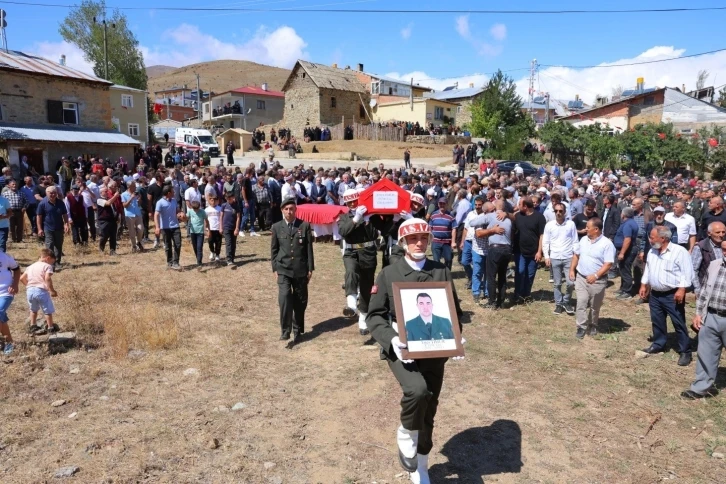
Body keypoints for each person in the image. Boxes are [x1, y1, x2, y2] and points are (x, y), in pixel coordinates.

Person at [366, 218, 463, 483]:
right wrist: (391, 339)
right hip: (403, 348)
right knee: (417, 391)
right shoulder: (389, 272)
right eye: (412, 239)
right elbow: (375, 316)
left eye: (423, 238)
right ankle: (407, 432)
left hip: (435, 349)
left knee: (429, 407)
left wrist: (456, 337)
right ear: (403, 243)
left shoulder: (441, 270)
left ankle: (421, 463)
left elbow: (454, 310)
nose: (419, 243)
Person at [639, 226, 695, 366]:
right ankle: (659, 343)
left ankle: (685, 351)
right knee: (657, 320)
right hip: (656, 294)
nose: (650, 240)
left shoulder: (679, 252)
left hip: (672, 295)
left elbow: (687, 273)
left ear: (662, 238)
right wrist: (643, 284)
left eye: (652, 237)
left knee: (678, 322)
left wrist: (682, 289)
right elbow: (648, 269)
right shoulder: (652, 251)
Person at [681, 240, 726, 399]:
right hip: (711, 316)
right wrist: (699, 313)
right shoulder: (715, 265)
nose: (724, 253)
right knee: (706, 354)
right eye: (723, 249)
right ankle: (701, 387)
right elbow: (705, 292)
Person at [270, 197, 315, 345]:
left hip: (300, 269)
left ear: (295, 210)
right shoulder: (276, 227)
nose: (289, 212)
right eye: (286, 209)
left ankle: (297, 330)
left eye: (291, 209)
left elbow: (309, 249)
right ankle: (285, 331)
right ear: (282, 210)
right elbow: (274, 250)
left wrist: (310, 268)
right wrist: (275, 268)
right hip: (283, 269)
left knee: (300, 301)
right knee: (284, 298)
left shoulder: (304, 225)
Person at [338, 188, 379, 335]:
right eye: (349, 203)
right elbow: (343, 232)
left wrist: (367, 220)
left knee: (367, 285)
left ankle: (363, 317)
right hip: (350, 252)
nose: (352, 205)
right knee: (351, 272)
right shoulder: (344, 217)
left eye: (354, 201)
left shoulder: (370, 216)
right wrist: (355, 218)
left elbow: (374, 235)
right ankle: (351, 303)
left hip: (367, 252)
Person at [569, 218, 615, 339]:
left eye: (588, 227)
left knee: (595, 305)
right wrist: (572, 270)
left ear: (596, 229)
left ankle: (593, 323)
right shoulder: (583, 240)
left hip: (598, 281)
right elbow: (576, 255)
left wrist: (595, 276)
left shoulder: (607, 244)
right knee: (581, 302)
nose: (586, 229)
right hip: (581, 278)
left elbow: (608, 263)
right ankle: (581, 326)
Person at [472, 199, 512, 309]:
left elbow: (472, 223)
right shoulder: (508, 218)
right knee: (502, 276)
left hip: (495, 249)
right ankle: (502, 301)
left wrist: (490, 227)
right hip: (507, 249)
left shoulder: (490, 216)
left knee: (491, 277)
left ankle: (492, 302)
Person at [543, 202, 578, 315]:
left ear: (565, 212)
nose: (558, 213)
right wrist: (547, 257)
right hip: (555, 257)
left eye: (560, 211)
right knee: (557, 283)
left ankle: (566, 301)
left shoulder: (571, 224)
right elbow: (545, 242)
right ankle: (559, 303)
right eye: (556, 211)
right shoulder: (549, 225)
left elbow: (575, 241)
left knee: (570, 283)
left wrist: (576, 256)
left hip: (568, 257)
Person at [20, 248, 58, 335]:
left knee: (33, 310)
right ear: (48, 258)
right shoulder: (47, 266)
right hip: (41, 291)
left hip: (30, 291)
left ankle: (33, 325)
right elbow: (47, 278)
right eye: (52, 261)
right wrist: (51, 290)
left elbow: (22, 278)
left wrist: (29, 285)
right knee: (47, 310)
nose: (51, 264)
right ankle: (50, 328)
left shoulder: (30, 266)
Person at [36, 186, 69, 271]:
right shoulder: (42, 203)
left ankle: (57, 262)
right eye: (51, 193)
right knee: (49, 246)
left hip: (59, 228)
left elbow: (65, 214)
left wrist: (66, 224)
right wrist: (39, 229)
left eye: (54, 193)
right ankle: (50, 264)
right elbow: (39, 216)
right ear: (46, 193)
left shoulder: (60, 203)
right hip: (48, 228)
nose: (53, 194)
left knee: (58, 246)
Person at [154, 185, 184, 271]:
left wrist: (180, 213)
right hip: (165, 227)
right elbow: (156, 215)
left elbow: (177, 210)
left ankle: (176, 262)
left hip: (175, 226)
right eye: (172, 191)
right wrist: (157, 227)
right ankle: (170, 262)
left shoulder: (174, 201)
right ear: (168, 193)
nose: (174, 193)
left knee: (178, 244)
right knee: (168, 246)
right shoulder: (160, 202)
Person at [692, 222, 726, 295]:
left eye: (723, 232)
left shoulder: (724, 245)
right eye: (718, 232)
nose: (721, 235)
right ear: (709, 233)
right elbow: (693, 270)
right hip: (707, 288)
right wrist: (698, 289)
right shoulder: (700, 247)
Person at [613, 207, 639, 299]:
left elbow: (627, 239)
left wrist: (622, 253)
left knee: (625, 270)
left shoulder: (628, 224)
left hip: (628, 250)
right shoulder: (630, 222)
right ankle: (623, 288)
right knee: (622, 269)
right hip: (627, 249)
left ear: (623, 214)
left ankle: (628, 292)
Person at [0, 250, 20, 355]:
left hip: (5, 292)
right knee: (1, 318)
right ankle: (9, 342)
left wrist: (15, 284)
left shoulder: (5, 257)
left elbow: (16, 269)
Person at [428, 197, 456, 270]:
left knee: (448, 259)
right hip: (435, 241)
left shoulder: (451, 215)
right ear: (438, 204)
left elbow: (454, 229)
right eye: (440, 204)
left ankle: (447, 274)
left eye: (444, 204)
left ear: (447, 204)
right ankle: (438, 276)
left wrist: (453, 242)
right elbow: (430, 227)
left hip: (447, 242)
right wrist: (429, 239)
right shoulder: (433, 215)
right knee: (436, 260)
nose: (442, 205)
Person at [121, 181, 145, 253]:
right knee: (132, 231)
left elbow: (138, 204)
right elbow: (124, 205)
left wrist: (139, 199)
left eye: (135, 186)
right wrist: (131, 198)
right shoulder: (124, 194)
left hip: (137, 213)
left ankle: (139, 241)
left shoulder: (136, 193)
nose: (135, 188)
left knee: (141, 229)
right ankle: (134, 245)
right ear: (129, 187)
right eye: (133, 186)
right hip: (129, 214)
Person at [97, 187, 120, 255]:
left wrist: (117, 216)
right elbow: (108, 203)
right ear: (101, 192)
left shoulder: (109, 199)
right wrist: (115, 196)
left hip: (112, 220)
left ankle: (112, 250)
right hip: (104, 220)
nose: (107, 192)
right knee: (104, 235)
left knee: (113, 236)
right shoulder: (99, 200)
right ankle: (101, 248)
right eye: (105, 191)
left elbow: (114, 208)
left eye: (107, 191)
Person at [220, 192, 241, 266]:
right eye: (227, 199)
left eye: (230, 198)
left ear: (233, 197)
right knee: (228, 243)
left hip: (233, 227)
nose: (229, 200)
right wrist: (221, 227)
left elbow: (238, 217)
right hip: (226, 227)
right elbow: (221, 216)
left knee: (233, 244)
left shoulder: (236, 206)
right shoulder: (224, 205)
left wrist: (237, 228)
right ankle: (229, 259)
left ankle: (232, 258)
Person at [187, 200, 206, 269]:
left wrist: (208, 229)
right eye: (194, 209)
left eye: (197, 209)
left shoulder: (202, 212)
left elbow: (206, 220)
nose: (196, 211)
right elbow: (186, 218)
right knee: (195, 247)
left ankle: (199, 263)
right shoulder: (190, 212)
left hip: (200, 232)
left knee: (199, 247)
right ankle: (198, 258)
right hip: (193, 232)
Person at [204, 195, 222, 263]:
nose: (213, 202)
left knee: (218, 242)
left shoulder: (220, 209)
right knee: (210, 242)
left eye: (215, 200)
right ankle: (212, 252)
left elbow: (221, 219)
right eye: (211, 200)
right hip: (210, 229)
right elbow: (205, 220)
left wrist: (221, 227)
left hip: (217, 228)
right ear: (209, 201)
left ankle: (217, 254)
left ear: (217, 201)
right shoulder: (206, 210)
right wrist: (206, 229)